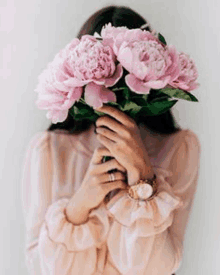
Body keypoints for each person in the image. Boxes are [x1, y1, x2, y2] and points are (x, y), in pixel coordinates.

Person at [21, 5, 201, 275]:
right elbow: (41, 268)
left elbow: (156, 268)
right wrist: (81, 202)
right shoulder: (47, 150)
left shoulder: (179, 147)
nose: (114, 95)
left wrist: (142, 174)